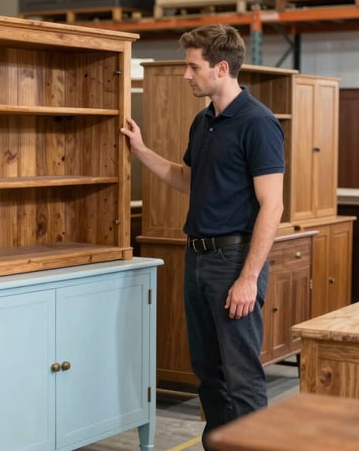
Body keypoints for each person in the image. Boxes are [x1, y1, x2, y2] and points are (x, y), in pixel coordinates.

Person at [120, 24, 285, 448]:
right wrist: (140, 151)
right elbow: (187, 178)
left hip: (233, 262)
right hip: (198, 259)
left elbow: (273, 205)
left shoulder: (258, 123)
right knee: (208, 373)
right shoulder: (204, 122)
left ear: (222, 67)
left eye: (193, 66)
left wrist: (248, 278)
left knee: (241, 376)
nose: (186, 75)